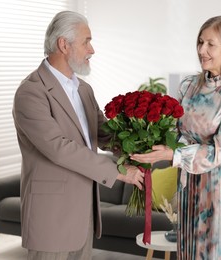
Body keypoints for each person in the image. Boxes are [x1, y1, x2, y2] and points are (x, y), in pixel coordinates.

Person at [12, 11, 144, 260]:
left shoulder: (84, 89)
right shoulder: (31, 93)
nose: (91, 49)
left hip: (84, 217)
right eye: (86, 41)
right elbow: (58, 147)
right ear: (64, 44)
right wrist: (118, 171)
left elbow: (102, 132)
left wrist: (138, 142)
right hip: (51, 219)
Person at [131, 15, 221, 259]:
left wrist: (173, 154)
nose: (202, 50)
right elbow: (175, 131)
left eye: (211, 44)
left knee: (219, 250)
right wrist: (144, 137)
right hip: (190, 181)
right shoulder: (189, 85)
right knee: (190, 247)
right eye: (200, 42)